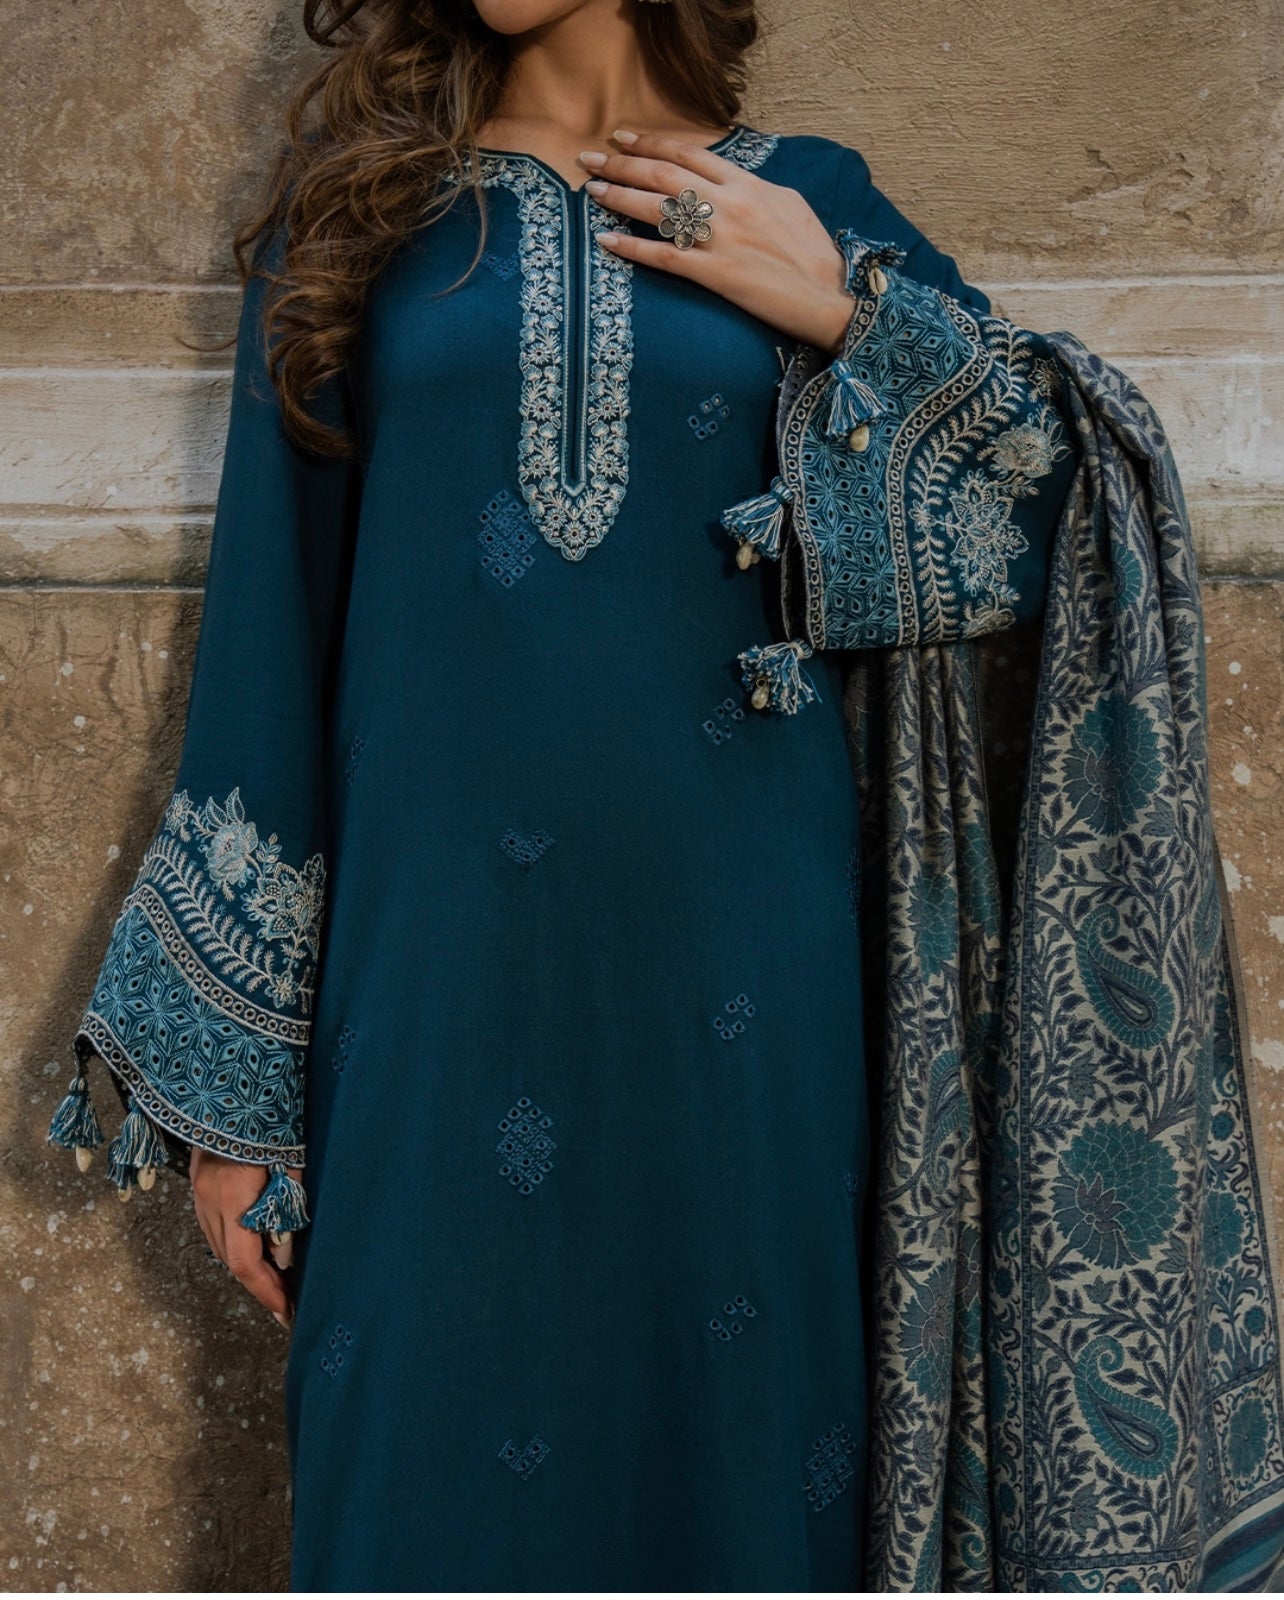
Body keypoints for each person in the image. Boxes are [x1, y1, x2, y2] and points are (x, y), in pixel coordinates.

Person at [46, 0, 1284, 1591]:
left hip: (752, 988)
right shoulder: (356, 221)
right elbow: (271, 632)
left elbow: (1062, 518)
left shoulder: (809, 195)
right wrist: (238, 1104)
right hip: (429, 992)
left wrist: (847, 310)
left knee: (751, 1460)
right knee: (411, 1464)